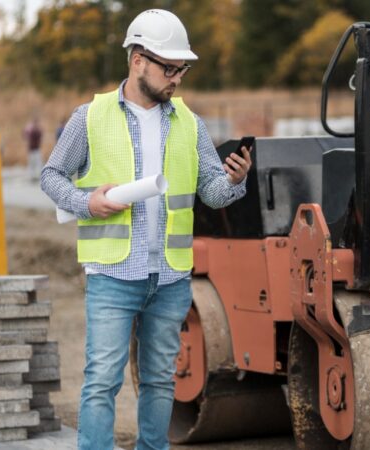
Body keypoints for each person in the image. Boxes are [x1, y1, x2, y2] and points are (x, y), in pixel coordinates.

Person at [40, 9, 252, 450]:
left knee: (159, 380)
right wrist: (86, 201)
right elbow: (51, 176)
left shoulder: (190, 124)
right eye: (169, 68)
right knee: (102, 381)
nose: (176, 78)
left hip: (171, 277)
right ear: (138, 60)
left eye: (182, 70)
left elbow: (210, 193)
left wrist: (233, 181)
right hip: (113, 275)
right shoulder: (90, 117)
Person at [23, 116, 43, 181]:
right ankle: (32, 176)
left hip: (36, 149)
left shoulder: (37, 130)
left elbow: (40, 136)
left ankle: (38, 175)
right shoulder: (30, 130)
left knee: (38, 163)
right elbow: (24, 136)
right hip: (31, 149)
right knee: (32, 163)